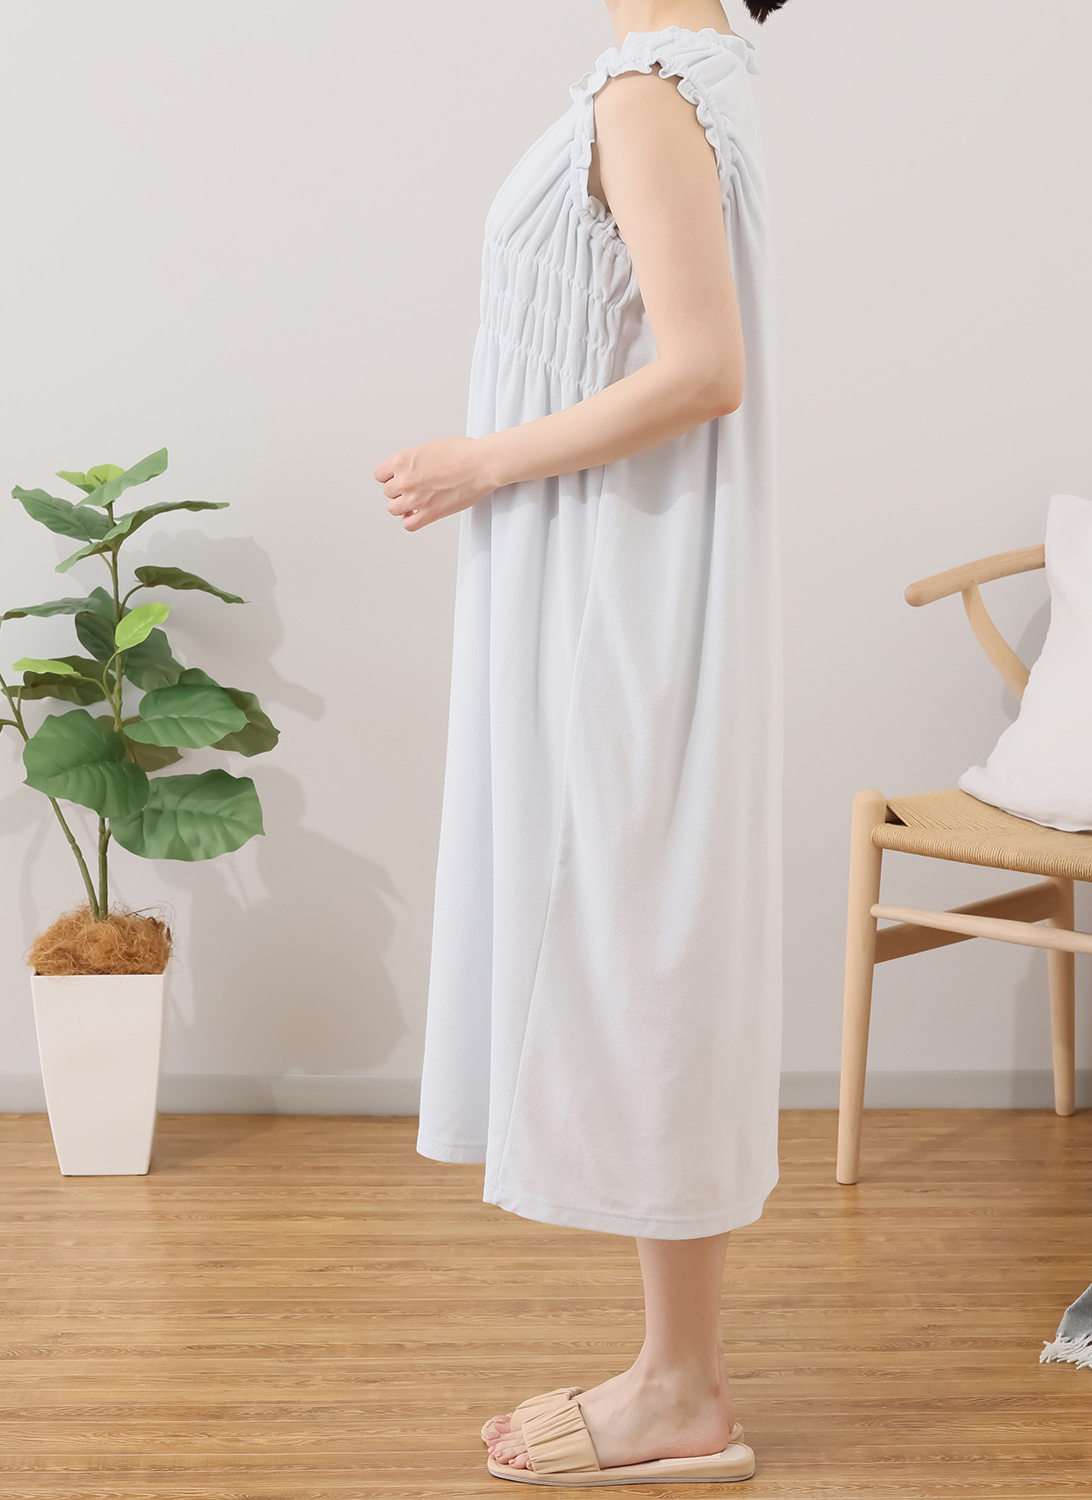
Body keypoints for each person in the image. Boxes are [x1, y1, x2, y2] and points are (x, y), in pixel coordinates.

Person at [374, 0, 789, 1485]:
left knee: (637, 948)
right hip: (607, 574)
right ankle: (680, 1368)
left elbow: (703, 369)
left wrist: (478, 461)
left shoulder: (649, 94)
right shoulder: (681, 84)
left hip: (612, 589)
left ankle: (681, 1387)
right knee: (635, 942)